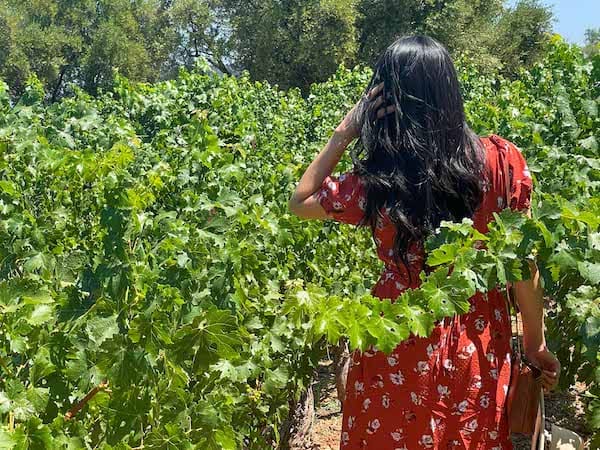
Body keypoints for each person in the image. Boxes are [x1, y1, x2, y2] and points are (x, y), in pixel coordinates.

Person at [288, 35, 560, 449]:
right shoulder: (502, 164)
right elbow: (521, 264)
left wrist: (344, 132)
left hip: (395, 333)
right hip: (477, 342)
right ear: (450, 92)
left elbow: (301, 200)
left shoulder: (378, 180)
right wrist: (536, 343)